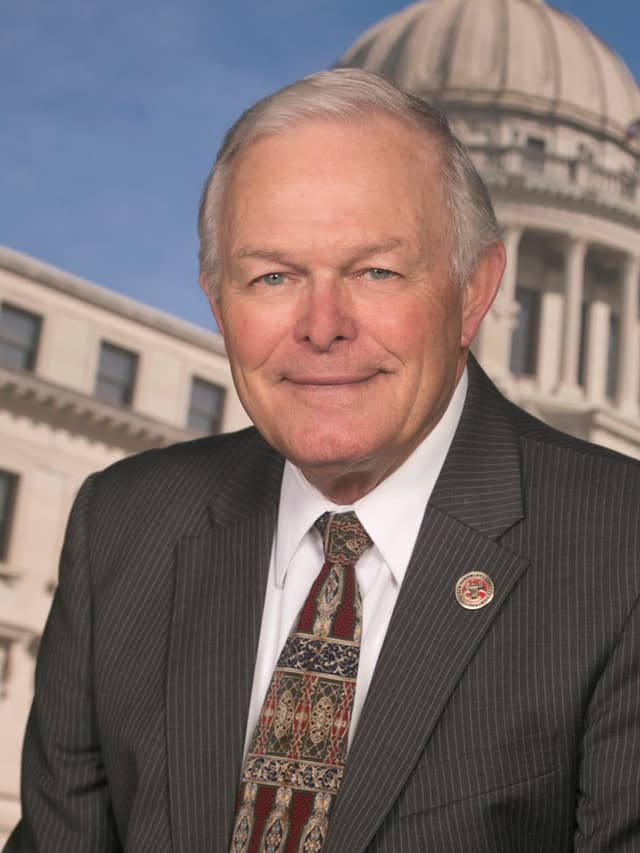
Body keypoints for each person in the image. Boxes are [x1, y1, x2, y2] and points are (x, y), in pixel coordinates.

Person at [5, 69, 639, 853]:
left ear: (476, 291)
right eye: (273, 275)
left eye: (376, 270)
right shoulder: (124, 523)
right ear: (217, 299)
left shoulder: (621, 547)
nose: (322, 325)